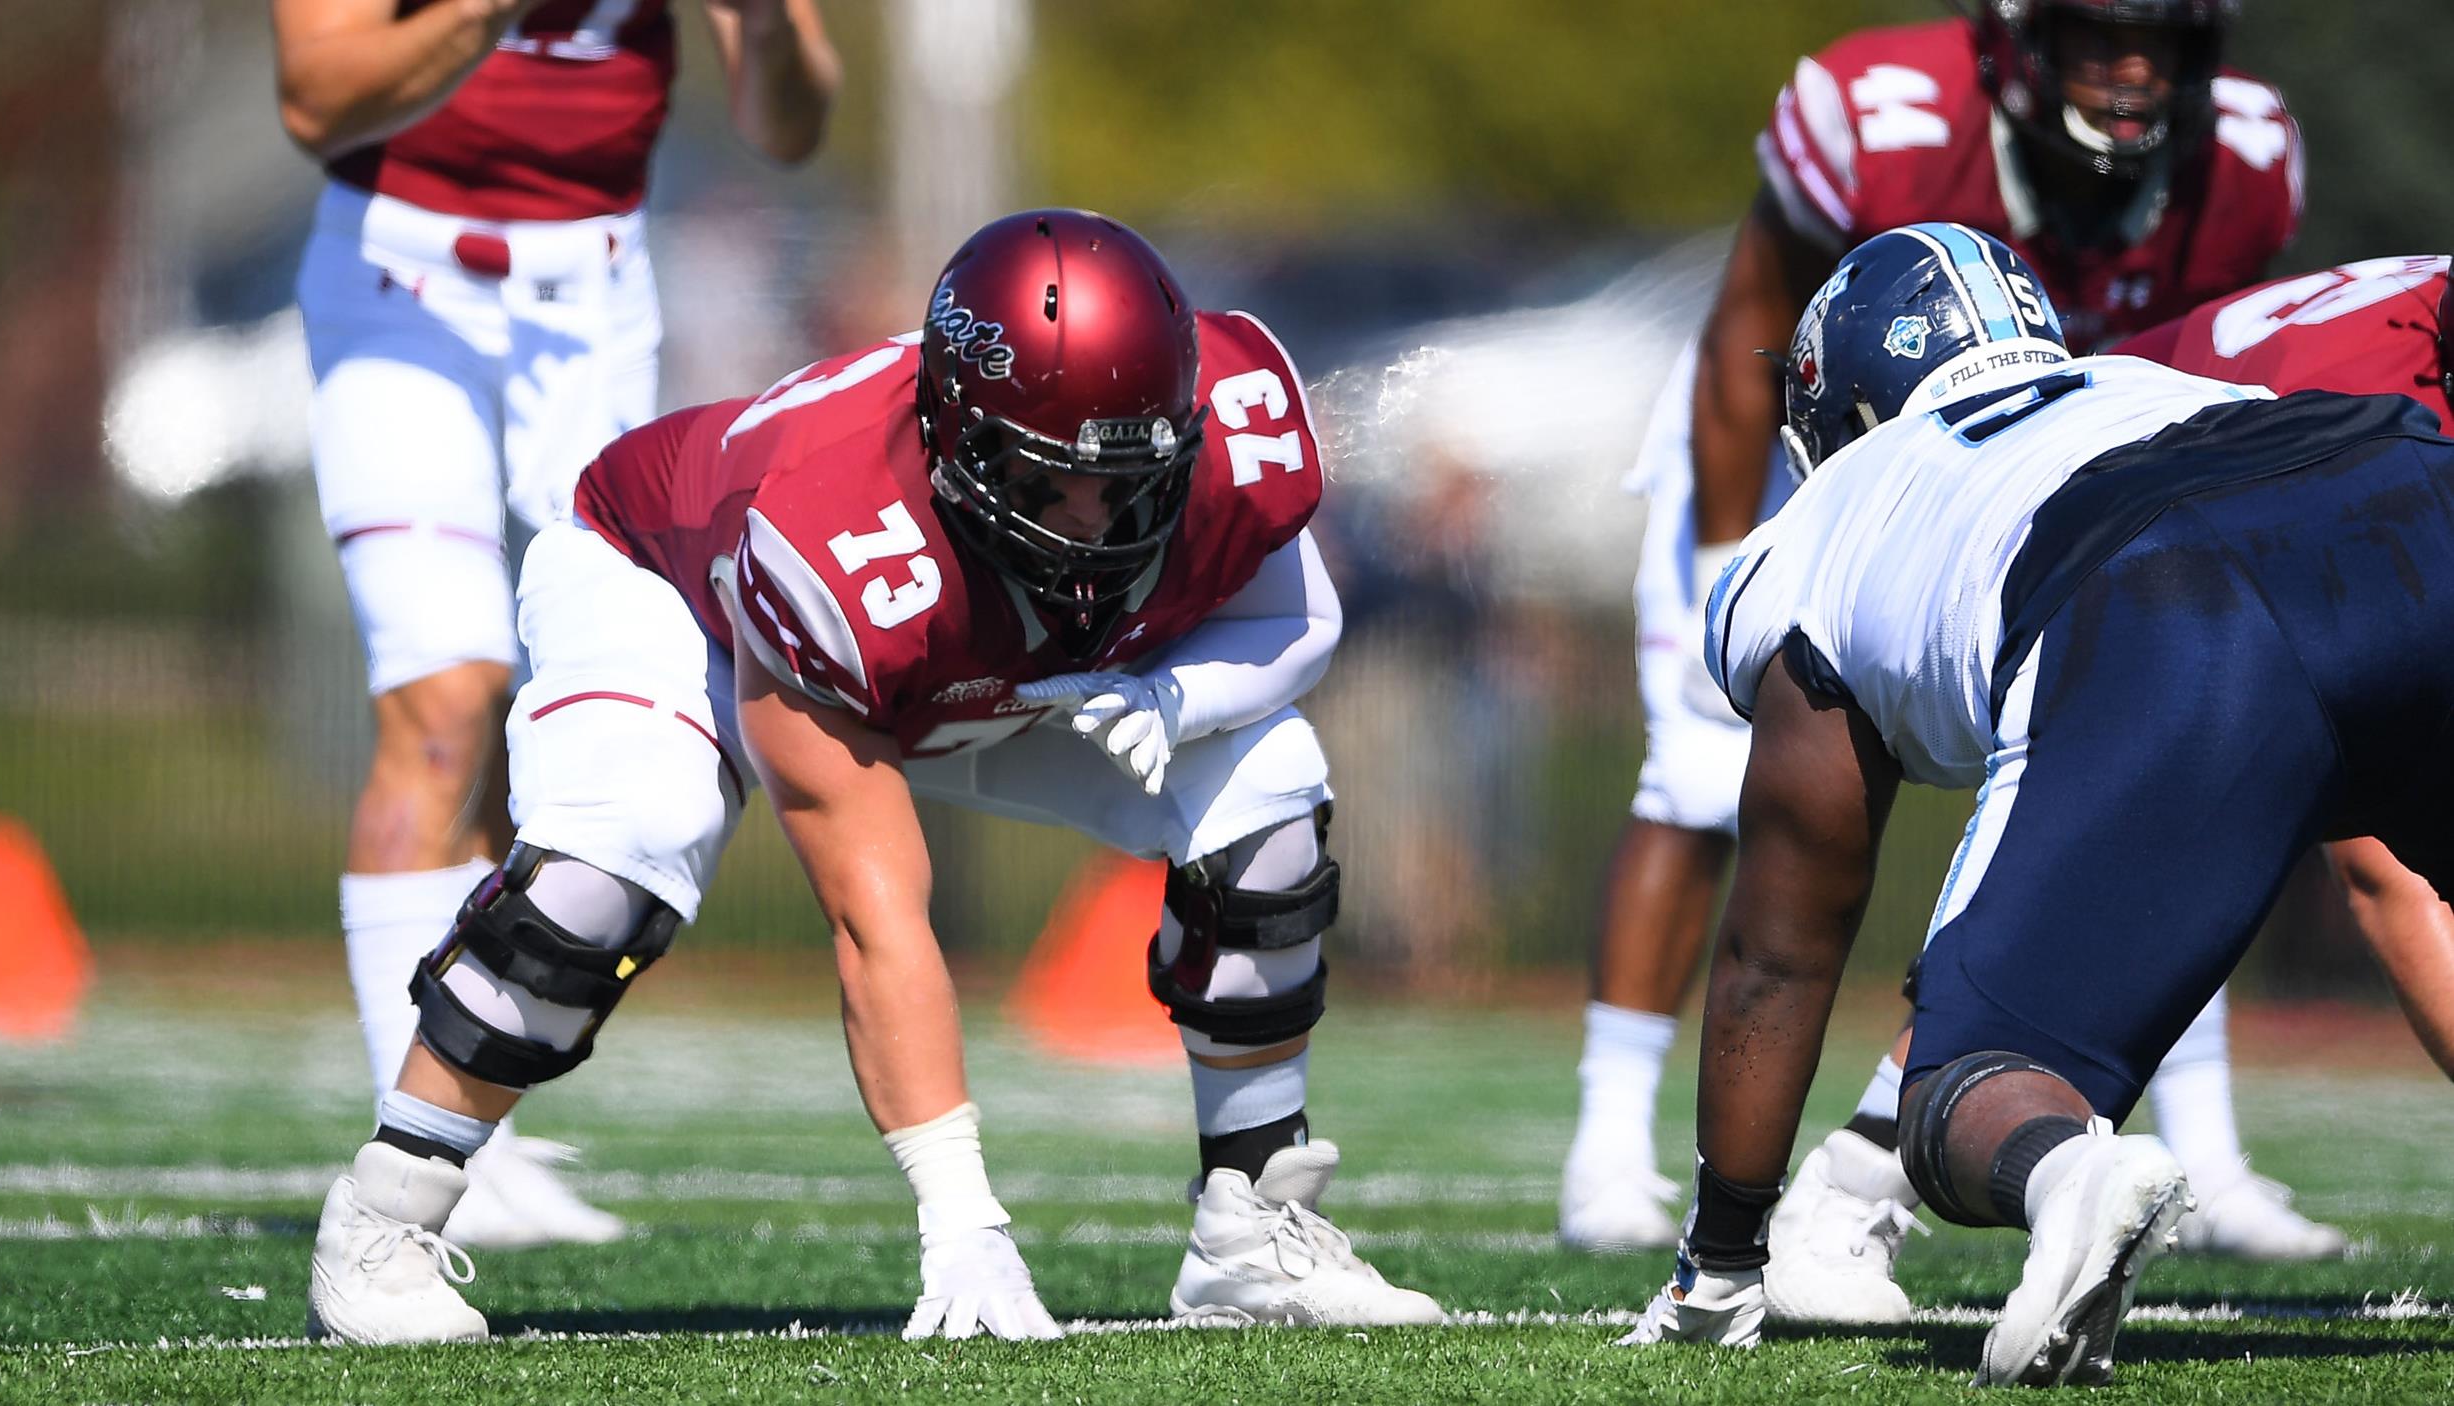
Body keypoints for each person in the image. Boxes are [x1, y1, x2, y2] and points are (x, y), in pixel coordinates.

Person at [300, 208, 1445, 1344]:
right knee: (618, 858)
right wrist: (960, 1216)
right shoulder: (831, 536)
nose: (1098, 520)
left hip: (980, 659)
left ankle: (1251, 1226)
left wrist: (1174, 697)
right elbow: (873, 908)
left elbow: (1300, 616)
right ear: (960, 434)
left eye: (1133, 477)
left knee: (1268, 788)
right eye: (1051, 480)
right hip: (666, 590)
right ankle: (386, 1209)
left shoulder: (1231, 423)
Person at [1565, 0, 2331, 1277]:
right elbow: (1744, 332)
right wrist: (1721, 554)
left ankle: (2213, 1151)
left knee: (2168, 772)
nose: (2129, 71)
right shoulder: (1886, 118)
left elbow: (2209, 355)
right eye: (2094, 38)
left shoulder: (2243, 156)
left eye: (2157, 42)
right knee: (1696, 774)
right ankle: (1603, 1148)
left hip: (2048, 456)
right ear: (2019, 44)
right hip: (1807, 443)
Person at [1621, 223, 2454, 1385]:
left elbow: (1780, 943)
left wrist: (1717, 1263)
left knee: (1961, 1090)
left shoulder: (1811, 533)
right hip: (2401, 476)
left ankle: (2071, 1176)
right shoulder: (2145, 378)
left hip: (2160, 584)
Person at [271, 0, 840, 1247]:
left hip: (597, 293)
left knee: (619, 698)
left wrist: (767, 25)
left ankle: (478, 1107)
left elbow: (788, 128)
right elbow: (314, 96)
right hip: (399, 279)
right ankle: (411, 1140)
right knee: (446, 694)